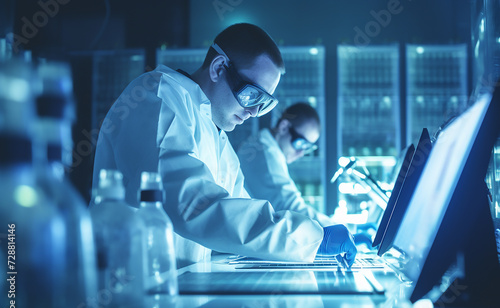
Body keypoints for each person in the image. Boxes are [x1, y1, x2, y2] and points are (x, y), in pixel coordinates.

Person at [92, 23, 356, 267]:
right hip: (130, 289)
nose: (254, 112)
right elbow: (191, 203)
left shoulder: (218, 138)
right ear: (218, 67)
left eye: (263, 103)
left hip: (178, 287)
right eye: (252, 95)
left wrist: (307, 239)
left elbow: (238, 215)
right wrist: (311, 238)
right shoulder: (159, 95)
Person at [237, 102, 334, 228]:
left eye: (307, 148)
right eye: (300, 143)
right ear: (283, 127)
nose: (300, 153)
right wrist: (340, 228)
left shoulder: (264, 144)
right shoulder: (266, 156)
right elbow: (291, 208)